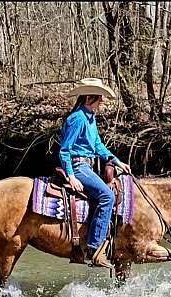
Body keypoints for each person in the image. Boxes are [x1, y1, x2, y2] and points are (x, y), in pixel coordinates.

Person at [59, 78, 131, 268]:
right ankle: (94, 248)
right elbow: (65, 150)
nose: (103, 102)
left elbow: (98, 146)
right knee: (107, 196)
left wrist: (116, 161)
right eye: (100, 98)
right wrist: (71, 176)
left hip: (87, 166)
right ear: (90, 97)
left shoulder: (90, 118)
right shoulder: (77, 119)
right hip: (78, 166)